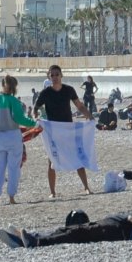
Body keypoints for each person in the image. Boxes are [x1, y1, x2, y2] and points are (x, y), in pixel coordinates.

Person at [36, 65, 94, 197]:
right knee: (51, 160)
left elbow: (79, 105)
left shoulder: (69, 90)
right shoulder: (45, 93)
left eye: (57, 74)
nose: (55, 77)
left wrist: (88, 115)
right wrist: (36, 117)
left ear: (61, 75)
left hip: (68, 129)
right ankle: (53, 192)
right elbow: (36, 107)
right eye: (52, 75)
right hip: (53, 130)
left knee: (77, 156)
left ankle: (86, 187)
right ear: (49, 77)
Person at [0, 210, 132, 249]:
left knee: (78, 233)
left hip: (121, 230)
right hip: (116, 223)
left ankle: (37, 242)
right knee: (76, 229)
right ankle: (30, 236)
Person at [0, 74, 36, 205]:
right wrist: (33, 123)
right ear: (14, 87)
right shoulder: (14, 101)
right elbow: (20, 119)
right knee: (14, 168)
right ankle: (11, 197)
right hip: (13, 136)